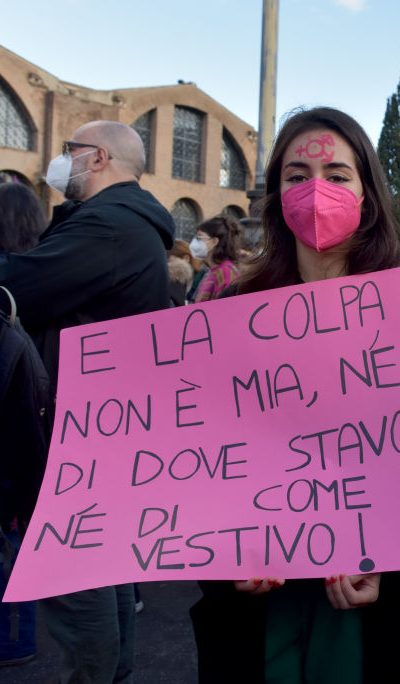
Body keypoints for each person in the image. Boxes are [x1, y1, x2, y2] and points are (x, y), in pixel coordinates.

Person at [190, 106, 400, 684]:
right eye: (297, 176)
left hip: (361, 613)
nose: (316, 191)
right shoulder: (228, 313)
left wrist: (391, 562)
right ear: (275, 195)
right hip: (257, 610)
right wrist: (227, 557)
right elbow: (199, 458)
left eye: (337, 176)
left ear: (368, 194)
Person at [0, 120, 173, 682]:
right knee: (104, 567)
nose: (60, 162)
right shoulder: (126, 223)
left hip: (75, 431)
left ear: (96, 158)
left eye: (68, 152)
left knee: (78, 575)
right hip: (100, 426)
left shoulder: (110, 226)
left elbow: (22, 284)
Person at [0, 181, 49, 668]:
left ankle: (13, 640)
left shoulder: (14, 283)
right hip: (33, 420)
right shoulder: (48, 268)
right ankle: (20, 635)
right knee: (19, 538)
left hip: (16, 422)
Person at [190, 215, 241, 302]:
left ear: (214, 241)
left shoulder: (226, 272)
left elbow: (227, 308)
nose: (194, 242)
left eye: (199, 237)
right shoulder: (212, 270)